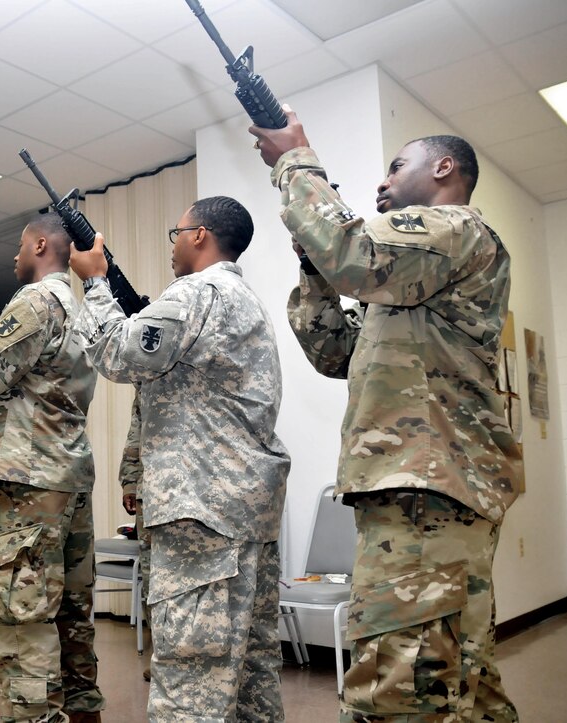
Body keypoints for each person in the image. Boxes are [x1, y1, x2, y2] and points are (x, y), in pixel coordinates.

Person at [251, 111, 522, 722]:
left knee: (398, 691)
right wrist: (316, 274)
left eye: (397, 167)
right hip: (426, 487)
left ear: (444, 168)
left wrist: (296, 158)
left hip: (427, 487)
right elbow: (335, 353)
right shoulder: (414, 280)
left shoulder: (453, 228)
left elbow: (355, 253)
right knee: (461, 682)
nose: (382, 182)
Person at [69, 196, 291, 723]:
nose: (173, 243)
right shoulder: (245, 299)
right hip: (244, 514)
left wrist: (97, 282)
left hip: (202, 514)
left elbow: (118, 356)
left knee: (191, 678)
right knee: (250, 675)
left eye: (177, 231)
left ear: (199, 236)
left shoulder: (198, 292)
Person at [0, 214, 104, 723]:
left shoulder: (35, 301)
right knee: (71, 614)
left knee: (21, 617)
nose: (13, 256)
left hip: (30, 481)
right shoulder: (79, 307)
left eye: (19, 246)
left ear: (41, 244)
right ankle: (83, 712)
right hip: (67, 476)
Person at [118, 391, 151, 683]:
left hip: (198, 494)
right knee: (152, 581)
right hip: (151, 493)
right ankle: (161, 654)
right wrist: (130, 482)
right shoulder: (147, 375)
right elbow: (135, 431)